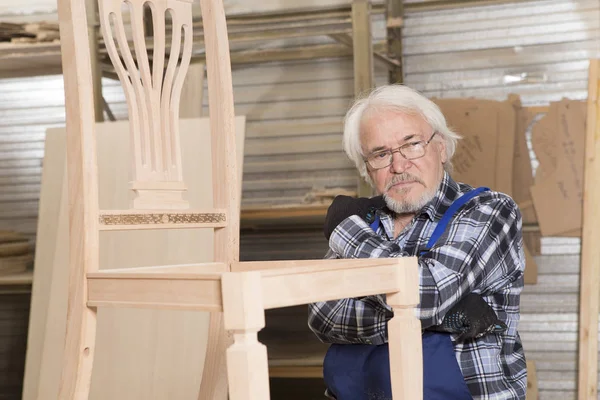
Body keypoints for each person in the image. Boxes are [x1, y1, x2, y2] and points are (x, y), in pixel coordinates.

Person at [307, 84, 527, 399]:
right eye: (381, 154)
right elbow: (322, 316)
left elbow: (426, 296)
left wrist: (345, 231)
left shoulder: (489, 211)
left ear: (442, 147)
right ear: (368, 169)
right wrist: (440, 321)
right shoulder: (368, 221)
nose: (399, 166)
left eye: (412, 145)